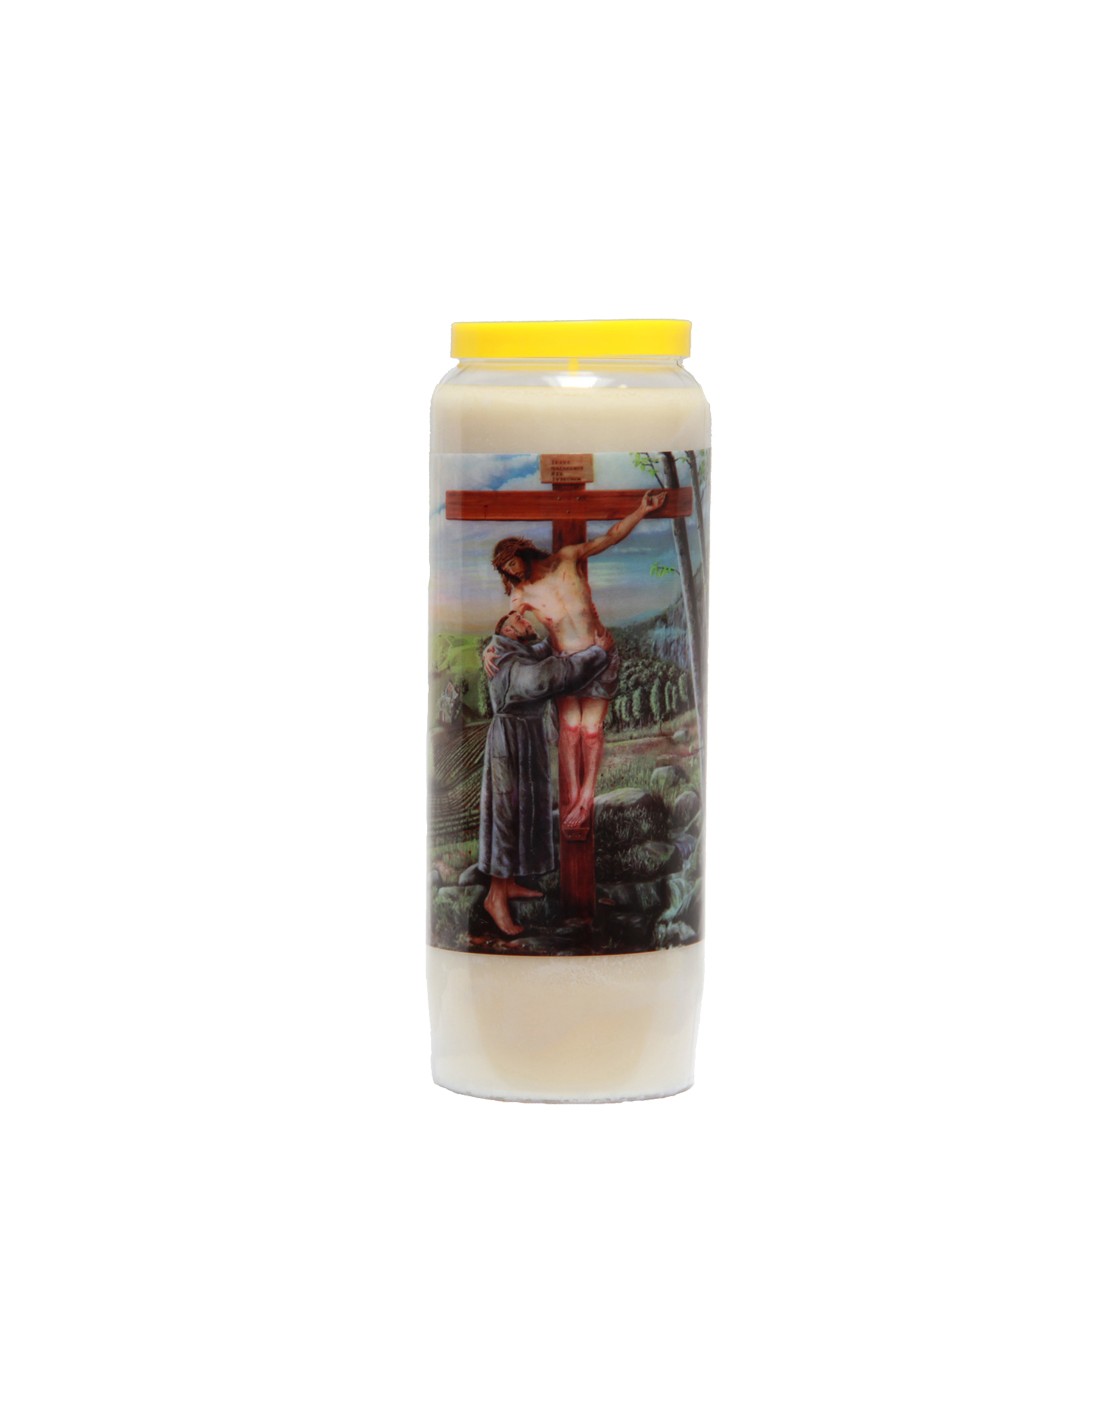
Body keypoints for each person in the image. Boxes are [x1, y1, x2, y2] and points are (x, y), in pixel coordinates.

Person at [489, 489, 666, 840]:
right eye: (506, 569)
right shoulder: (521, 594)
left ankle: (587, 798)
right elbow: (508, 625)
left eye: (512, 562)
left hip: (600, 654)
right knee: (570, 731)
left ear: (521, 552)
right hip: (566, 664)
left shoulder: (567, 558)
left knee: (592, 730)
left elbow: (610, 537)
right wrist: (491, 649)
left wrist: (642, 510)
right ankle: (572, 801)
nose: (512, 570)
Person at [478, 612, 612, 937]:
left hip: (525, 739)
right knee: (506, 816)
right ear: (508, 629)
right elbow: (547, 677)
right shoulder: (505, 660)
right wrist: (599, 653)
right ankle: (495, 897)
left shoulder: (513, 650)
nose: (525, 619)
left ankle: (509, 883)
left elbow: (542, 650)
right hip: (509, 744)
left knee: (525, 812)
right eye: (518, 618)